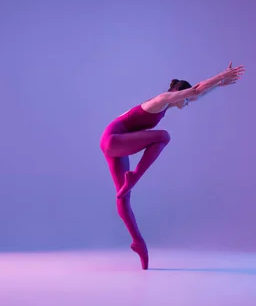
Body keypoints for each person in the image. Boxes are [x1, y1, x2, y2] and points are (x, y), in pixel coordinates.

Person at [99, 62, 245, 270]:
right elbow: (195, 90)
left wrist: (220, 84)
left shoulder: (166, 105)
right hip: (113, 140)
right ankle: (135, 177)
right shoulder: (162, 99)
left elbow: (196, 95)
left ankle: (138, 243)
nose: (187, 103)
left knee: (123, 196)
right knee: (163, 137)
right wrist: (221, 74)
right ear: (177, 91)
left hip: (114, 142)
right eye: (185, 99)